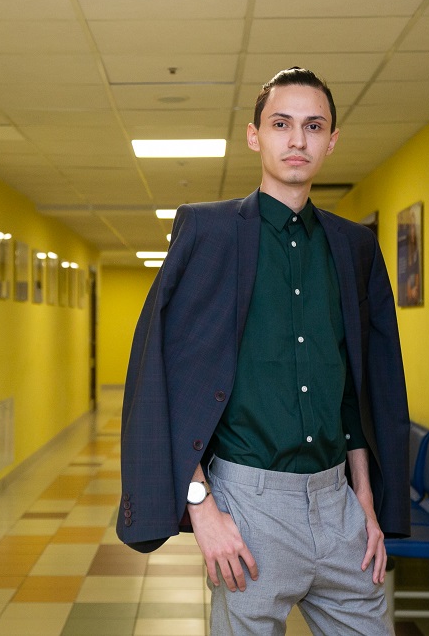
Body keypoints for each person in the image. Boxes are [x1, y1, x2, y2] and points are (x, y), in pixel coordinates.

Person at [117, 67, 410, 635]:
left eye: (313, 126)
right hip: (249, 508)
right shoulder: (207, 232)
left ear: (332, 140)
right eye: (281, 124)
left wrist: (366, 504)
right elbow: (166, 379)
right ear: (254, 136)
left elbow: (357, 391)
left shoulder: (354, 247)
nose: (297, 140)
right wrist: (202, 509)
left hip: (340, 506)